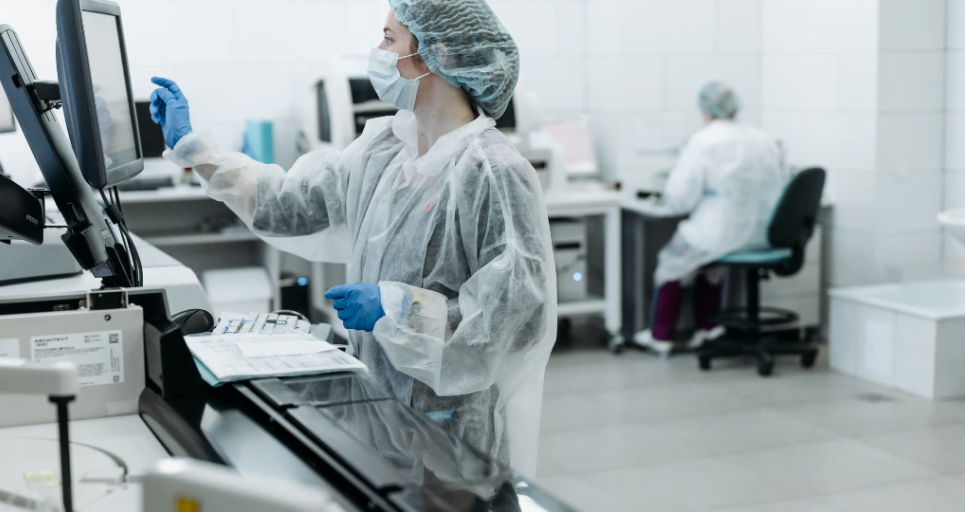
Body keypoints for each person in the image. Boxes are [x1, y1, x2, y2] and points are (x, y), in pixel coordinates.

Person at [148, 0, 557, 477]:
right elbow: (289, 204)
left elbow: (516, 318)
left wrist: (401, 309)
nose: (378, 52)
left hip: (455, 432)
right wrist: (193, 148)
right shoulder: (383, 149)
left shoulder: (492, 172)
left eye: (389, 38)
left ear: (433, 54)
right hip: (379, 410)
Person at [633, 82, 787, 356]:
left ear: (705, 110)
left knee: (672, 261)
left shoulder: (704, 140)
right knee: (710, 266)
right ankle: (707, 327)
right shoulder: (764, 138)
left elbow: (680, 198)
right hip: (762, 234)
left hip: (720, 231)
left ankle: (661, 336)